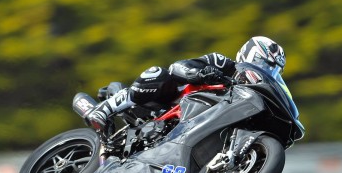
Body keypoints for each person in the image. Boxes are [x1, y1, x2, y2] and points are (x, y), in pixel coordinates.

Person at [84, 36, 286, 133]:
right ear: (249, 53)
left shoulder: (249, 96)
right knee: (158, 73)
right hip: (169, 104)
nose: (266, 70)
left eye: (272, 70)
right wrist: (201, 74)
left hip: (189, 125)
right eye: (263, 63)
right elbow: (178, 67)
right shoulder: (223, 63)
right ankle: (104, 110)